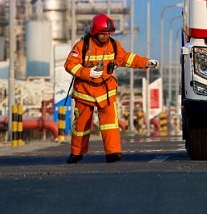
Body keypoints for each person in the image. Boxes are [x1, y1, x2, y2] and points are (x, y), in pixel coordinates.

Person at [63, 13, 158, 163]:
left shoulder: (113, 45)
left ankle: (113, 152)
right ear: (94, 32)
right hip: (84, 92)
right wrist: (88, 73)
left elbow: (126, 58)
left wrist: (145, 62)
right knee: (81, 125)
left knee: (110, 123)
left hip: (105, 91)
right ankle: (76, 152)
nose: (106, 36)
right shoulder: (82, 46)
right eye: (103, 34)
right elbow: (70, 64)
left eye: (108, 33)